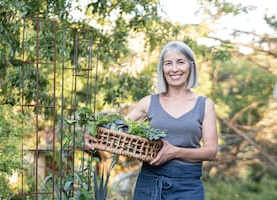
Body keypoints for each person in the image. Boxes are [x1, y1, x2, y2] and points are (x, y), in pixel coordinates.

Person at [86, 41, 218, 200]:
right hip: (150, 184)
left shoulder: (204, 105)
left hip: (188, 186)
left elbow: (211, 152)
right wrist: (93, 134)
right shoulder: (148, 102)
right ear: (162, 69)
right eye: (168, 63)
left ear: (191, 66)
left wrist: (176, 152)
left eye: (180, 62)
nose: (174, 69)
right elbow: (116, 129)